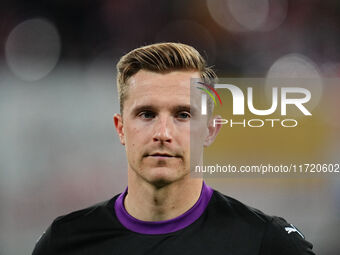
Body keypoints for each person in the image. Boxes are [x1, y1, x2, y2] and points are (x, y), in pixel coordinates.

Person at [32, 42, 315, 255]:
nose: (163, 133)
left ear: (210, 130)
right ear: (120, 128)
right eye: (146, 114)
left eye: (183, 115)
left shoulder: (265, 242)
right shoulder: (64, 242)